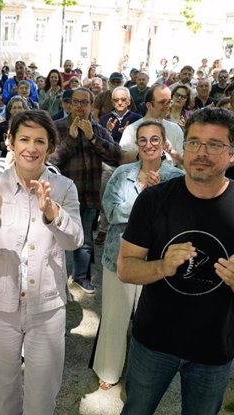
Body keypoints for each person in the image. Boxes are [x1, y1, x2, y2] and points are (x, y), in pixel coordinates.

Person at [116, 108, 234, 415]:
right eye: (195, 143)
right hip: (153, 340)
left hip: (212, 347)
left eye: (215, 145)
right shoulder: (154, 200)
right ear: (182, 147)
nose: (202, 153)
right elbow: (126, 269)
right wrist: (162, 265)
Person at [0, 110, 84, 415]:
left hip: (46, 305)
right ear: (11, 142)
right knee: (4, 382)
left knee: (42, 386)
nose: (31, 148)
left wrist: (52, 212)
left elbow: (75, 240)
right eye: (24, 139)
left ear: (50, 147)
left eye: (40, 141)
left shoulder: (63, 187)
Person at [93, 121, 184, 390]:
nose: (148, 145)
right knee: (114, 316)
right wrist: (142, 196)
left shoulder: (176, 179)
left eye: (154, 139)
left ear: (164, 143)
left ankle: (147, 375)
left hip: (157, 261)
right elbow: (110, 212)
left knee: (151, 321)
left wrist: (151, 199)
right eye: (142, 140)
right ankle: (108, 370)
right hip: (118, 254)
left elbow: (174, 221)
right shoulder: (122, 174)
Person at [50, 88, 121, 294]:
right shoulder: (57, 128)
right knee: (56, 238)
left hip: (89, 195)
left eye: (85, 102)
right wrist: (71, 139)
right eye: (76, 102)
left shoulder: (98, 130)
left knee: (85, 240)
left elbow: (115, 155)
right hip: (61, 197)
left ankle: (80, 277)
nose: (80, 106)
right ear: (69, 104)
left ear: (91, 105)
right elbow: (51, 160)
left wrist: (92, 138)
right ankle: (56, 277)